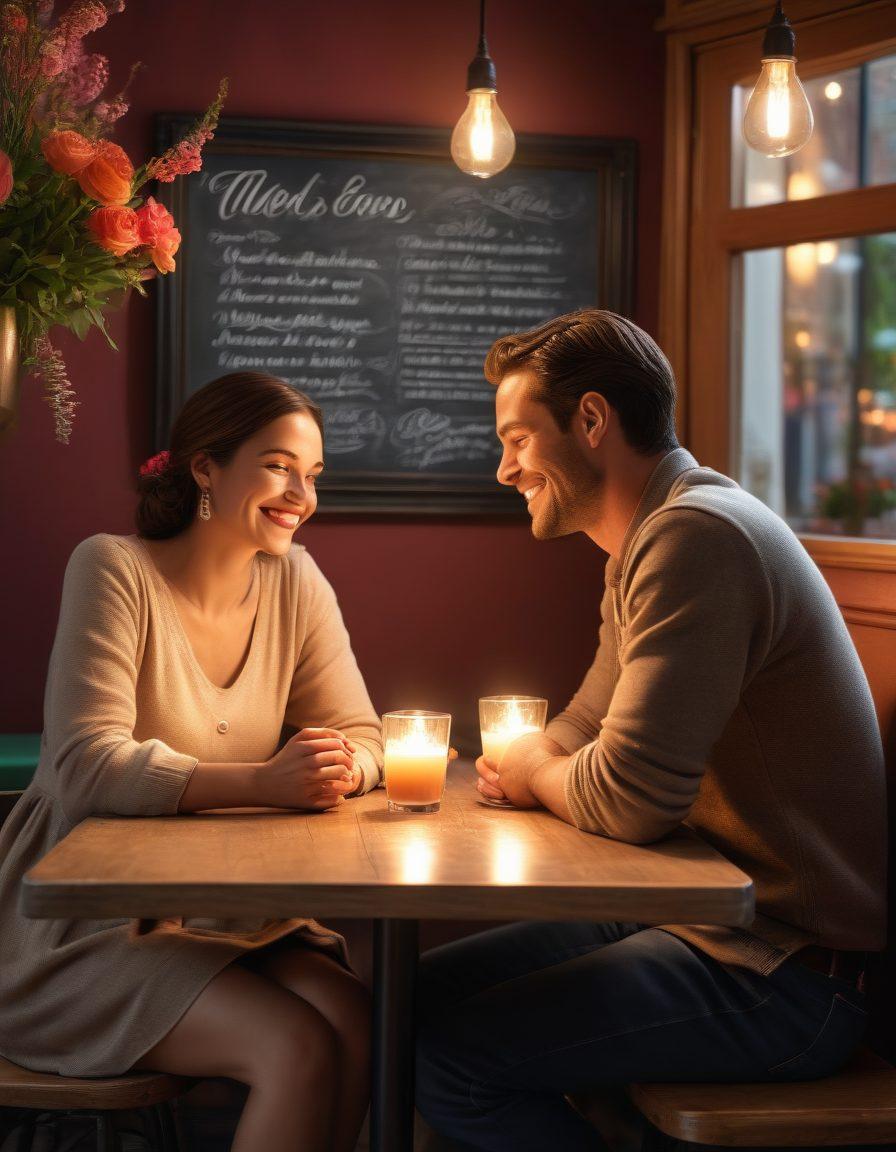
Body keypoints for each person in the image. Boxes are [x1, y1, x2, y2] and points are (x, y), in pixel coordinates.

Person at [415, 310, 886, 1152]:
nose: (503, 468)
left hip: (791, 974)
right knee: (413, 1001)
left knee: (451, 1059)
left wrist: (530, 765)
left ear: (592, 421)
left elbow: (628, 796)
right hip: (700, 924)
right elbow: (587, 728)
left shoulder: (695, 537)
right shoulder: (647, 538)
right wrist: (546, 761)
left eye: (518, 439)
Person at [0, 372, 381, 1152]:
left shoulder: (296, 579)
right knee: (296, 1046)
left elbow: (364, 734)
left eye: (312, 475)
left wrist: (345, 767)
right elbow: (82, 764)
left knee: (355, 1018)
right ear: (206, 467)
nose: (300, 494)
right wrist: (266, 783)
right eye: (279, 465)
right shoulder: (112, 568)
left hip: (224, 911)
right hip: (83, 927)